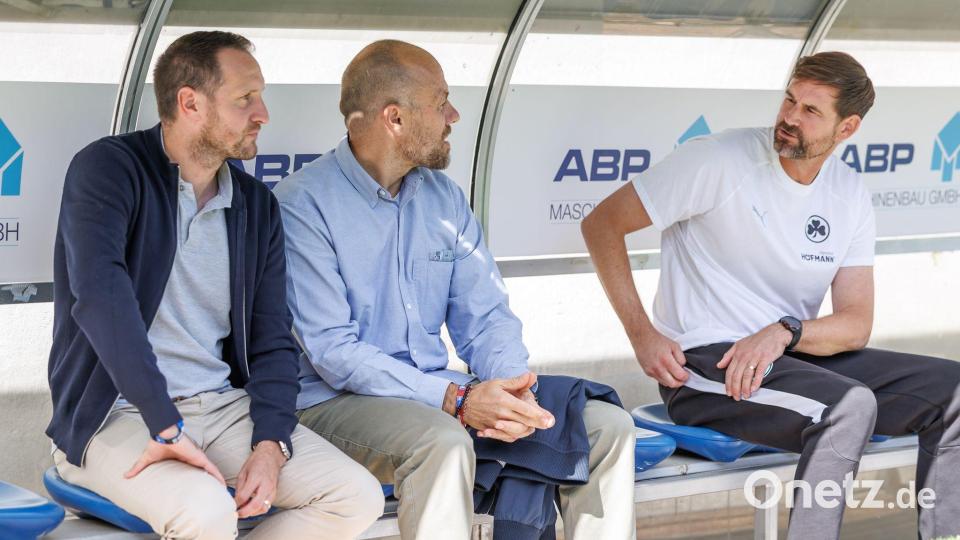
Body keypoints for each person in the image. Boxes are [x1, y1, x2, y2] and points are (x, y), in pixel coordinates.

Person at [582, 51, 960, 539]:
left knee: (953, 392)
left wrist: (785, 332)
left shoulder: (848, 192)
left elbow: (855, 323)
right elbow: (602, 224)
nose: (790, 117)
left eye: (810, 110)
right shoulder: (717, 159)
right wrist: (642, 334)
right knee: (847, 407)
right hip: (705, 362)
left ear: (846, 128)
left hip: (792, 357)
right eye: (789, 100)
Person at [273, 39, 637, 539]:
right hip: (334, 402)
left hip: (440, 394)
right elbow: (334, 353)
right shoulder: (302, 204)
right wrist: (456, 400)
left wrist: (512, 392)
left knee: (607, 428)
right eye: (441, 102)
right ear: (395, 118)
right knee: (442, 442)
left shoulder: (443, 197)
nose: (454, 116)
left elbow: (485, 317)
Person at [46, 31, 383, 539]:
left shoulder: (255, 205)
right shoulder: (109, 169)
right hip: (116, 413)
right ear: (190, 103)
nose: (262, 114)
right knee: (206, 512)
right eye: (245, 98)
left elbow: (272, 339)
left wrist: (271, 443)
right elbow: (101, 299)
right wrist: (163, 422)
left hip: (222, 408)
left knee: (355, 497)